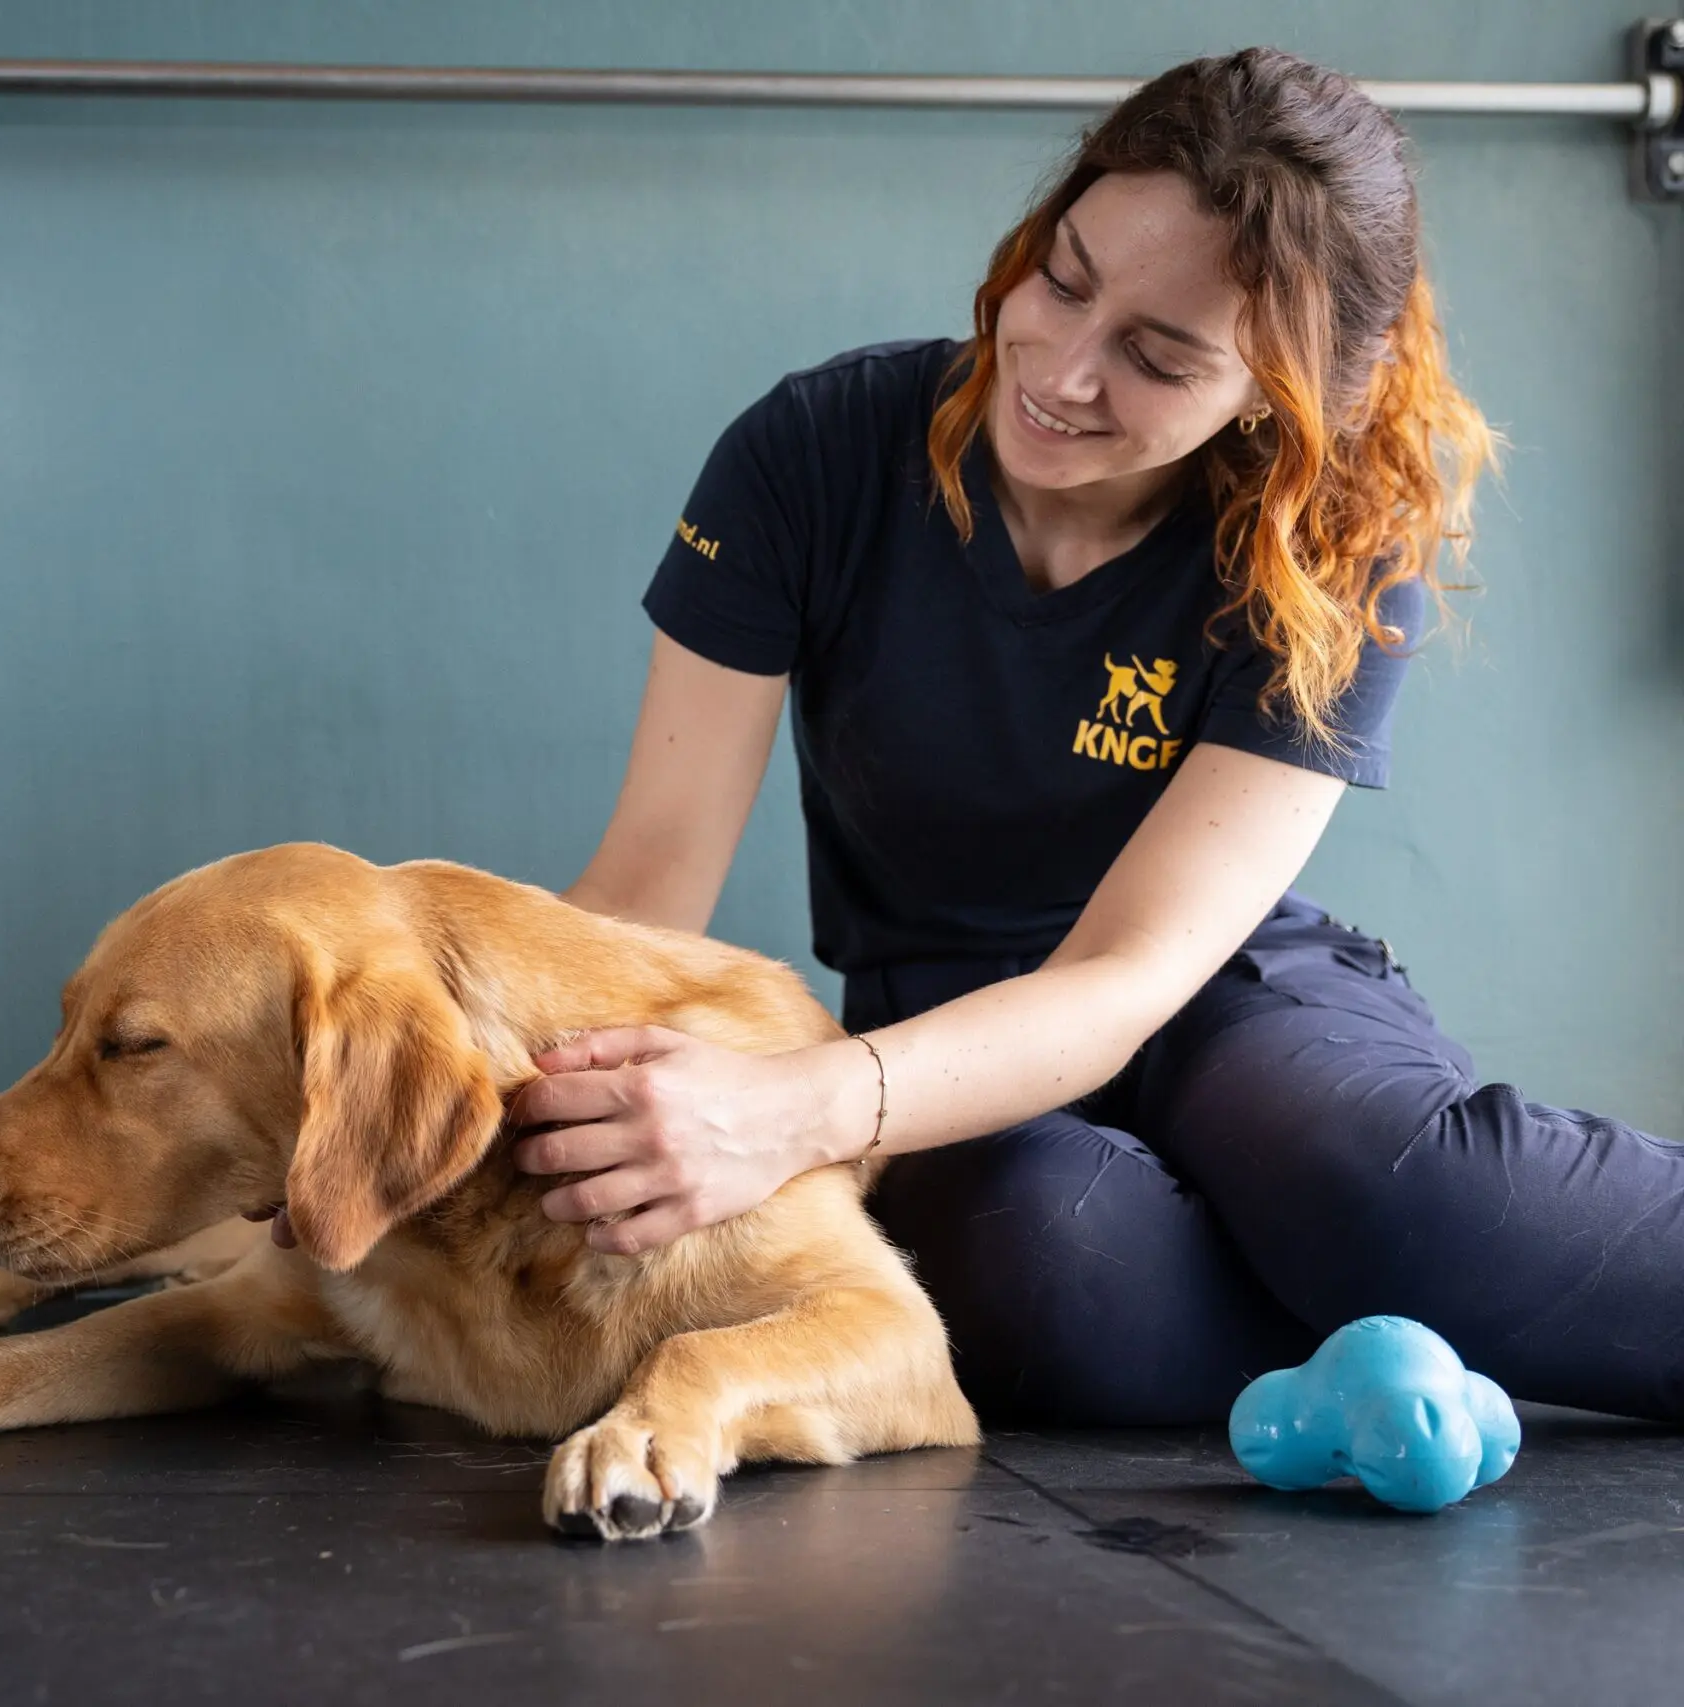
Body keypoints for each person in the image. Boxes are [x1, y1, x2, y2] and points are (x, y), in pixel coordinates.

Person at [510, 46, 1683, 1426]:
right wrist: (405, 1111)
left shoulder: (1336, 545)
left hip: (1220, 990)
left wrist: (790, 1107)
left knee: (1371, 1186)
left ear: (1277, 394)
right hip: (938, 1029)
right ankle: (1396, 1368)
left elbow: (1131, 973)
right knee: (1047, 1268)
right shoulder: (810, 454)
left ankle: (1408, 1301)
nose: (1062, 369)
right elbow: (648, 894)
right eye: (1065, 278)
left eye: (1159, 354)